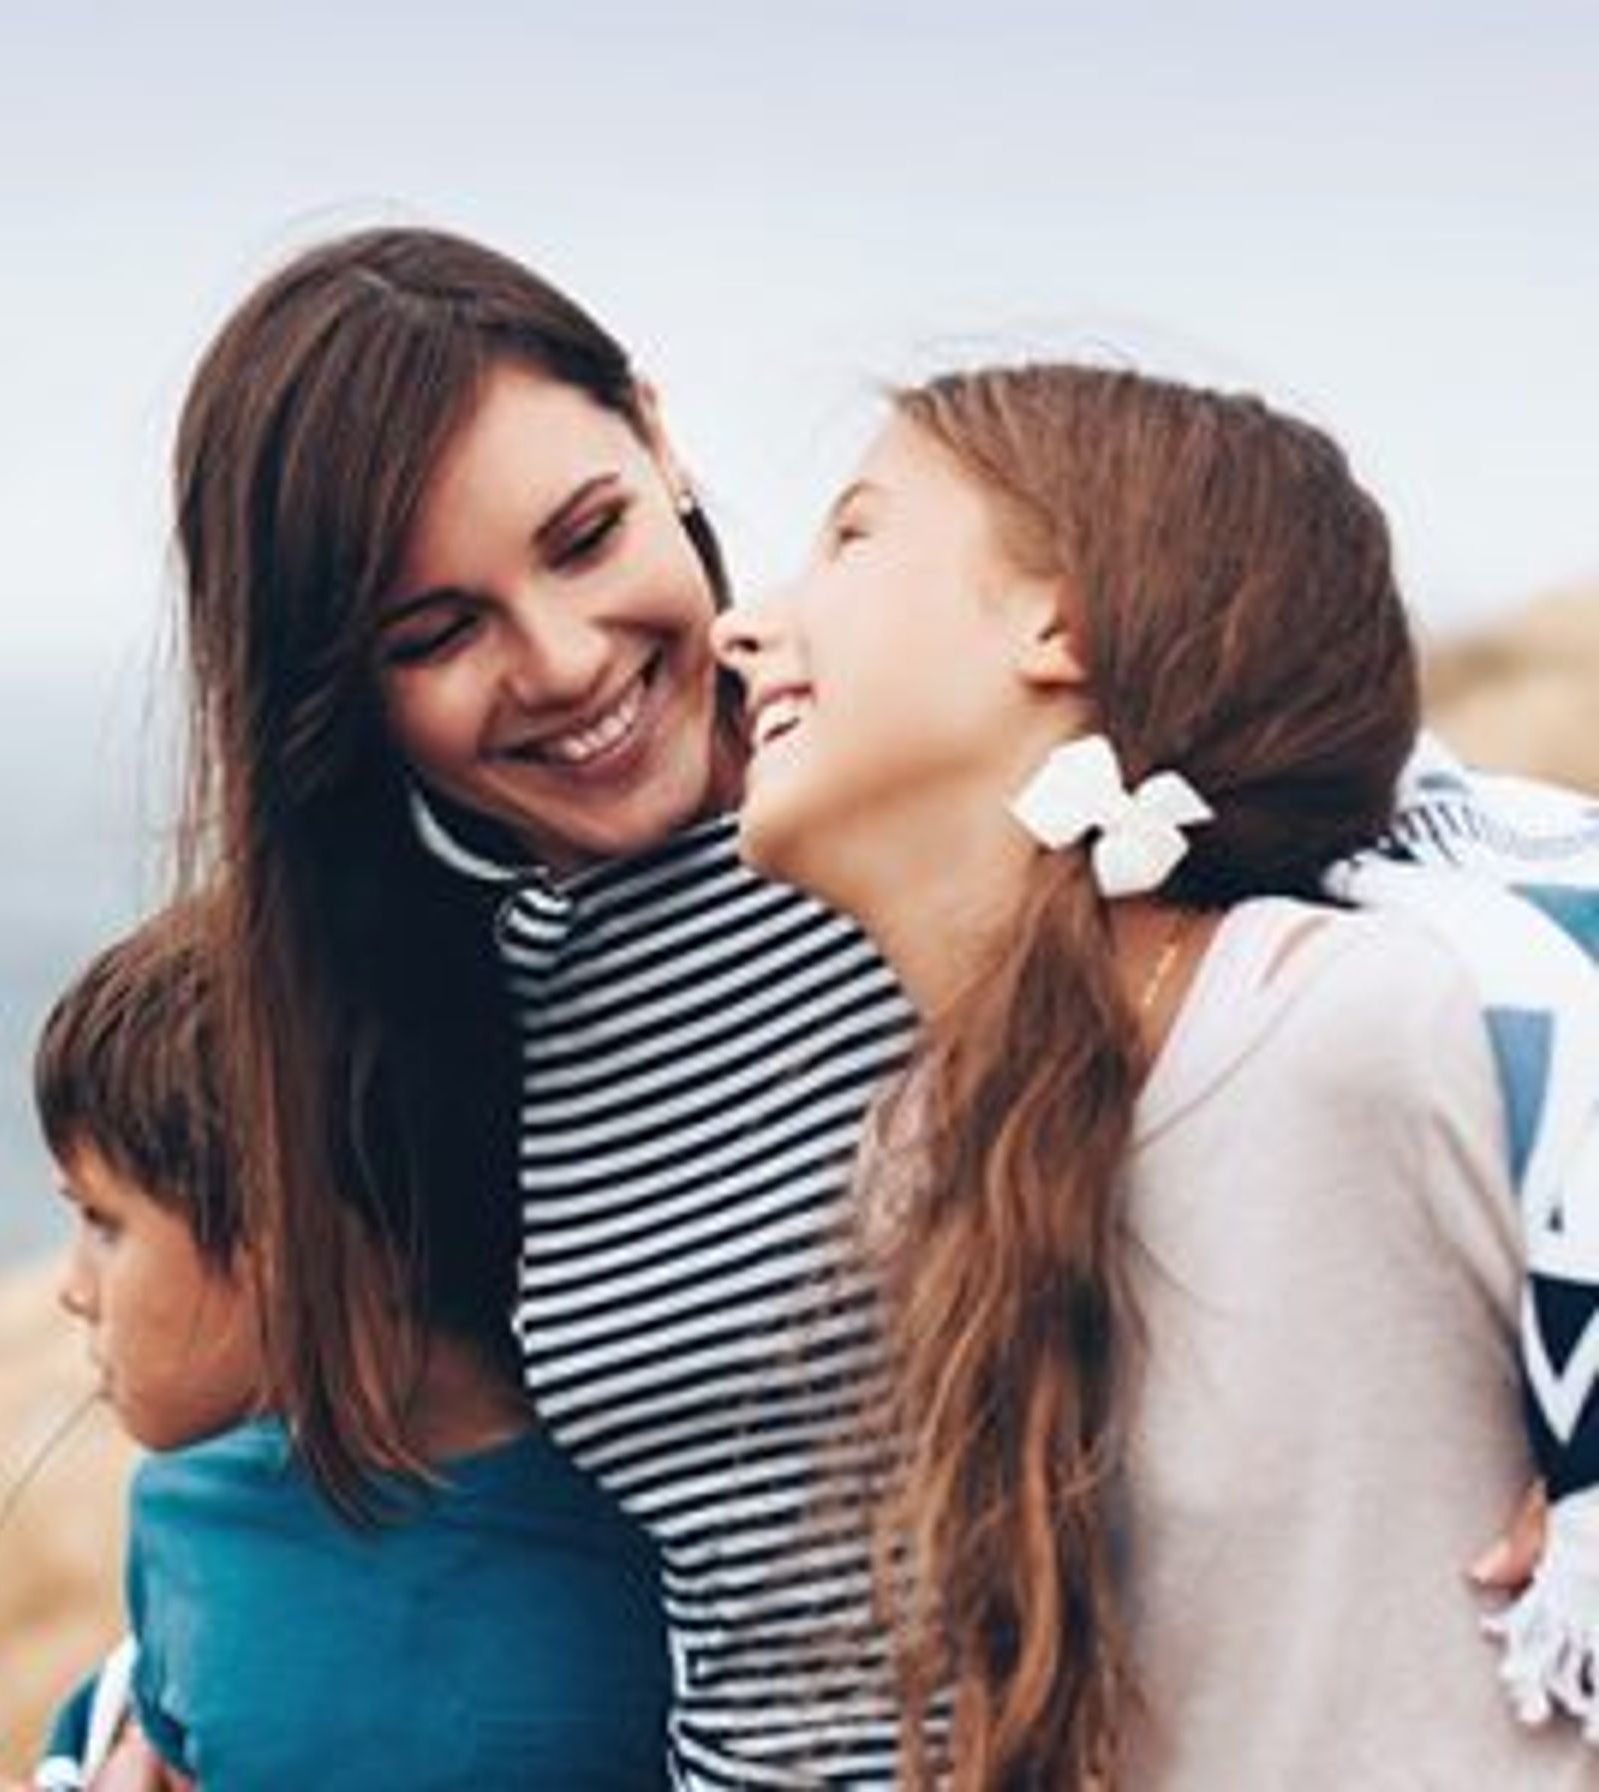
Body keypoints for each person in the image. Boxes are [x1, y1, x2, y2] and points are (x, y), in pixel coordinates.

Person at [167, 223, 1598, 1786]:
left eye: (585, 538)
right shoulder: (451, 1027)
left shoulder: (980, 820)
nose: (565, 660)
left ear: (661, 438)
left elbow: (1508, 967)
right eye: (436, 634)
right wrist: (147, 1725)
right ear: (336, 692)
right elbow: (490, 1540)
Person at [711, 363, 1599, 1787]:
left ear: (1059, 619)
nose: (742, 626)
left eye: (855, 534)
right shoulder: (927, 1150)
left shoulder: (1350, 1024)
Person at [0, 905, 670, 1789]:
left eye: (104, 1222)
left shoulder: (645, 1528)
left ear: (285, 1238)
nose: (74, 1288)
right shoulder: (189, 1508)